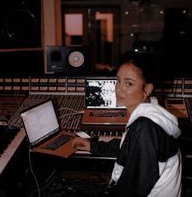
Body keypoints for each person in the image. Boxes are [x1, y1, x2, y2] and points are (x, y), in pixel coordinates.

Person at [72, 51, 182, 197]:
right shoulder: (150, 117)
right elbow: (129, 148)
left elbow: (133, 190)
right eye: (118, 81)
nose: (119, 88)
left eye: (128, 83)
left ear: (147, 89)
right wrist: (92, 145)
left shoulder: (145, 128)